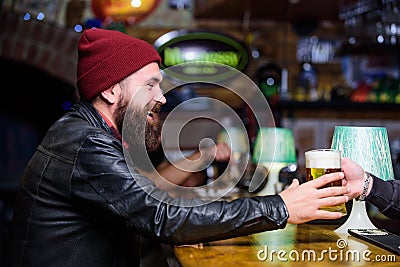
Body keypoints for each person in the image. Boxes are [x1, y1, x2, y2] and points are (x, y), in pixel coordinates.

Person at [10, 28, 349, 267]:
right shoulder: (86, 144)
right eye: (151, 85)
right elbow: (162, 216)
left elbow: (148, 207)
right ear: (112, 91)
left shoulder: (95, 136)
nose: (160, 97)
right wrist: (281, 207)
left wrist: (190, 226)